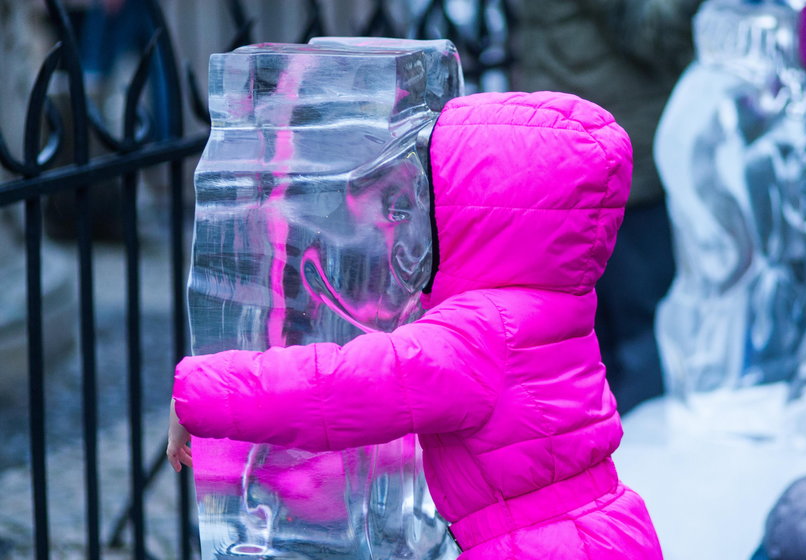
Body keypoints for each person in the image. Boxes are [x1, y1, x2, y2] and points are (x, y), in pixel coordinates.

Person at [168, 90, 663, 559]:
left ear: (479, 213)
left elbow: (344, 388)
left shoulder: (482, 332)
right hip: (603, 530)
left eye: (424, 199)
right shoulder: (551, 301)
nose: (406, 219)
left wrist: (202, 392)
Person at [511, 0, 702, 413]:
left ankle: (602, 436)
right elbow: (652, 35)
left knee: (592, 329)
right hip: (618, 153)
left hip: (573, 145)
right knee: (640, 332)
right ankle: (634, 447)